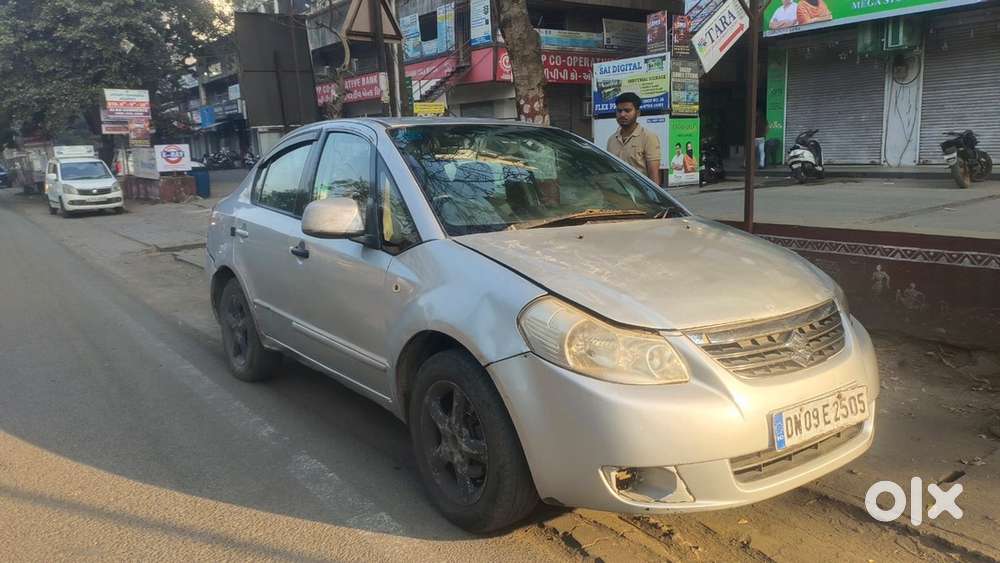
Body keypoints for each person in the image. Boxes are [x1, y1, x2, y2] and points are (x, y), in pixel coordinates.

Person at [606, 92, 661, 184]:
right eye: (619, 111)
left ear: (638, 113)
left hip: (640, 192)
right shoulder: (611, 140)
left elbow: (654, 175)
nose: (622, 114)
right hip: (617, 191)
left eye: (627, 111)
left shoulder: (648, 137)